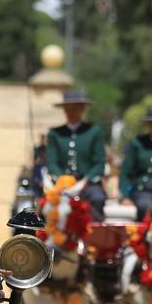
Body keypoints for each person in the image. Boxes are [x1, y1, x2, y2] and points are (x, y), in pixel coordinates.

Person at [45, 89, 108, 221]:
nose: (71, 112)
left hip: (88, 184)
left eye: (75, 108)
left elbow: (99, 162)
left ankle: (94, 237)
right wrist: (62, 180)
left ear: (82, 109)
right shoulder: (55, 134)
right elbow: (52, 162)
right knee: (44, 202)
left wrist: (86, 181)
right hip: (61, 183)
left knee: (97, 198)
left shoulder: (94, 132)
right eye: (68, 108)